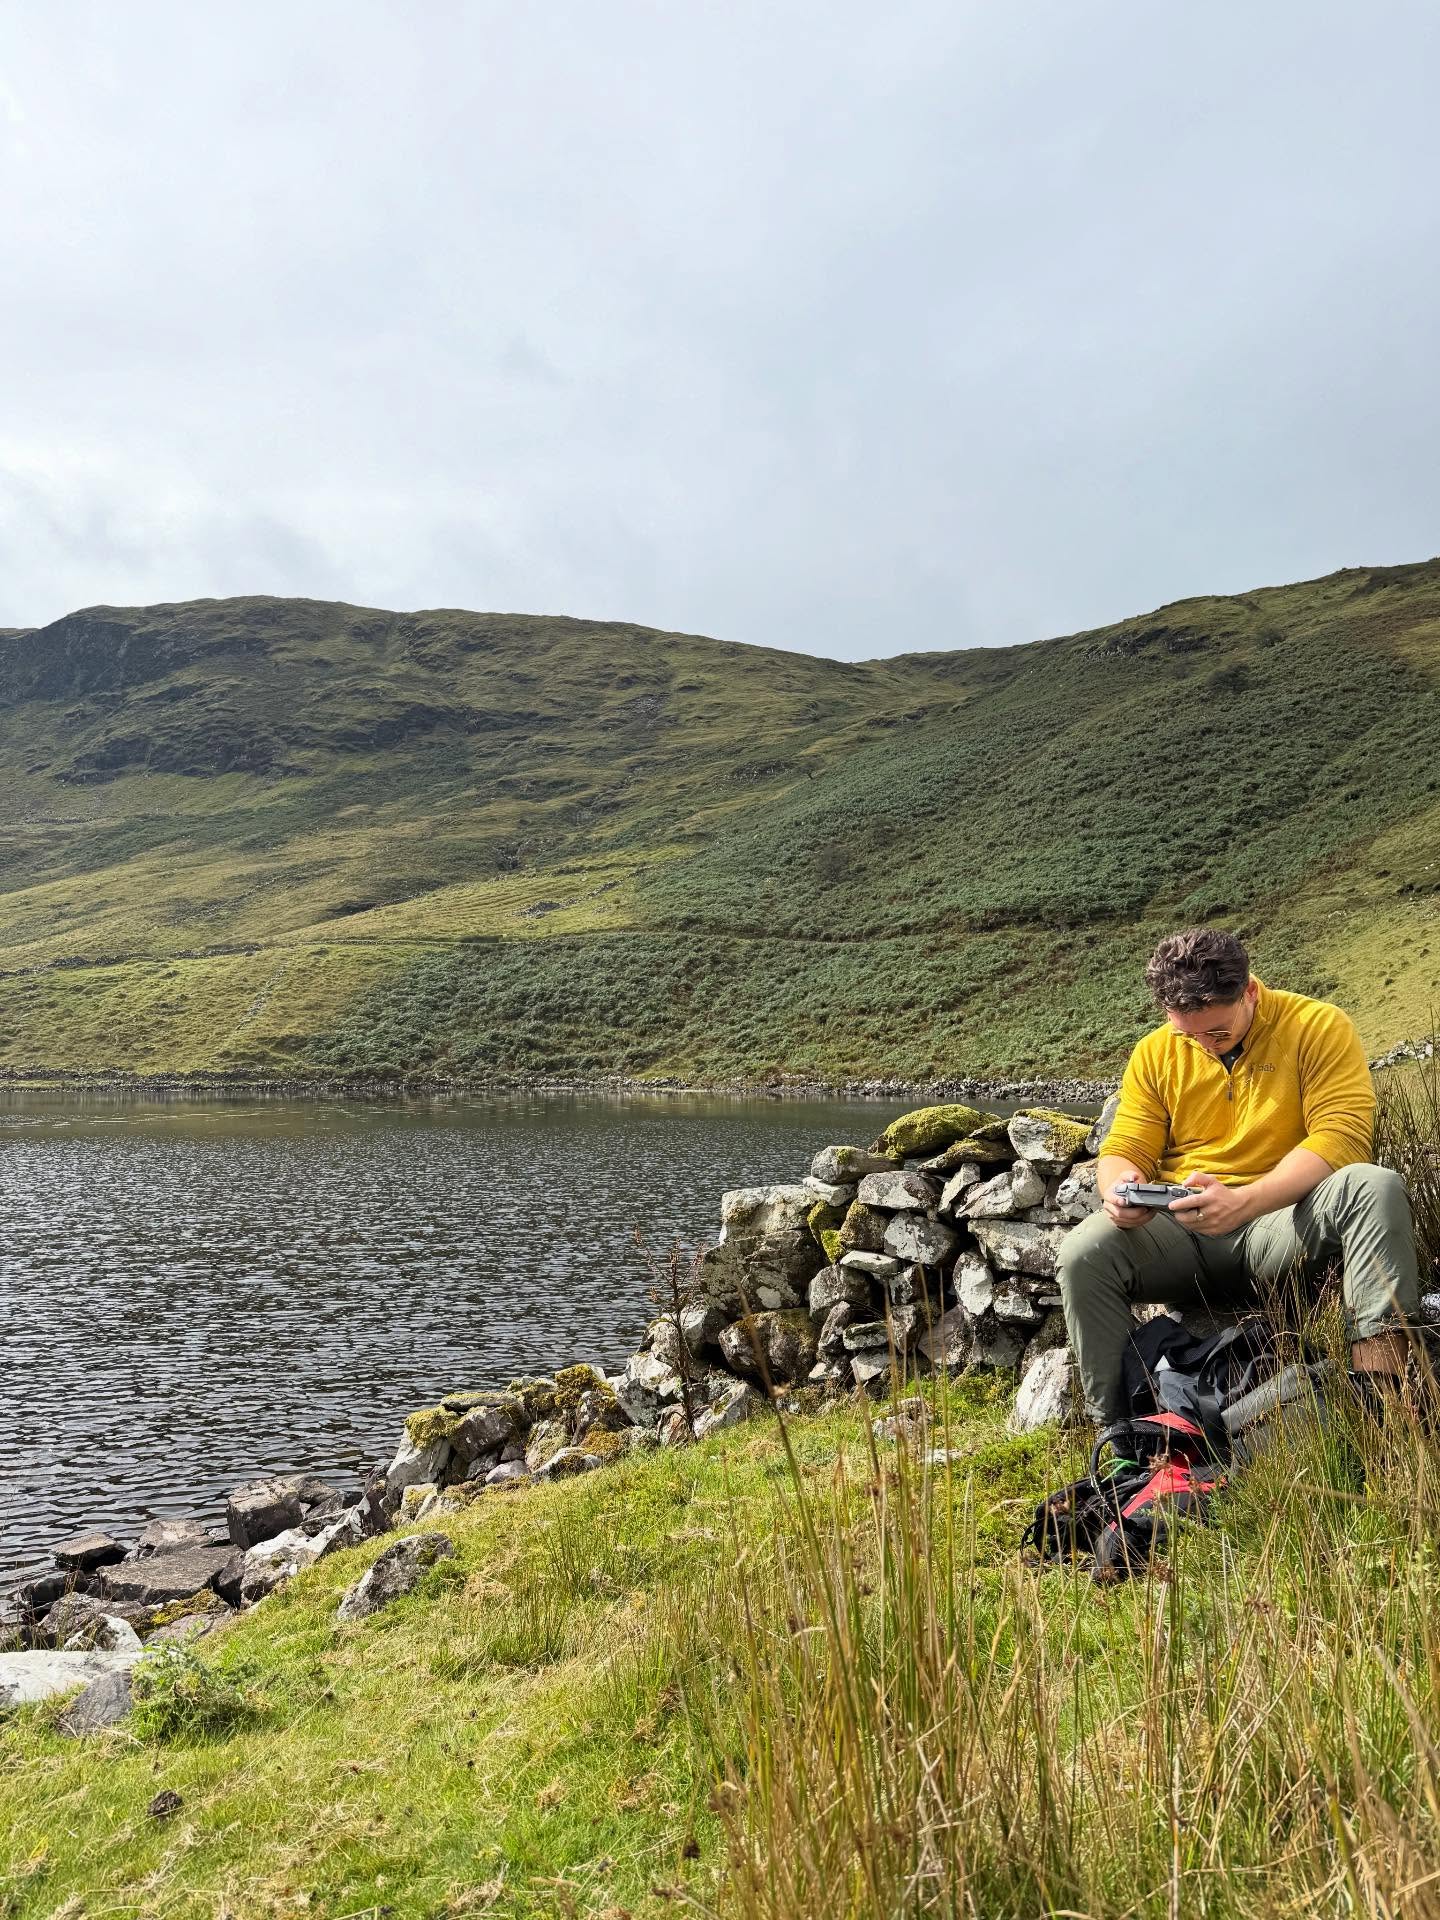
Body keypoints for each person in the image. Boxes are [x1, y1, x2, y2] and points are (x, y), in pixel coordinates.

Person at [1058, 927, 1420, 1429]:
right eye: (1189, 1034)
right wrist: (1120, 1190)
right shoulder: (1155, 1052)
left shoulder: (1317, 1026)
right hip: (1183, 1230)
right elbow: (1124, 1148)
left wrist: (1246, 1201)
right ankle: (1121, 1435)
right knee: (1083, 1253)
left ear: (1249, 991)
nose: (1204, 1045)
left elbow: (1340, 1139)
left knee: (1373, 1185)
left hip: (1284, 1223)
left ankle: (1386, 1407)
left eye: (1218, 1032)